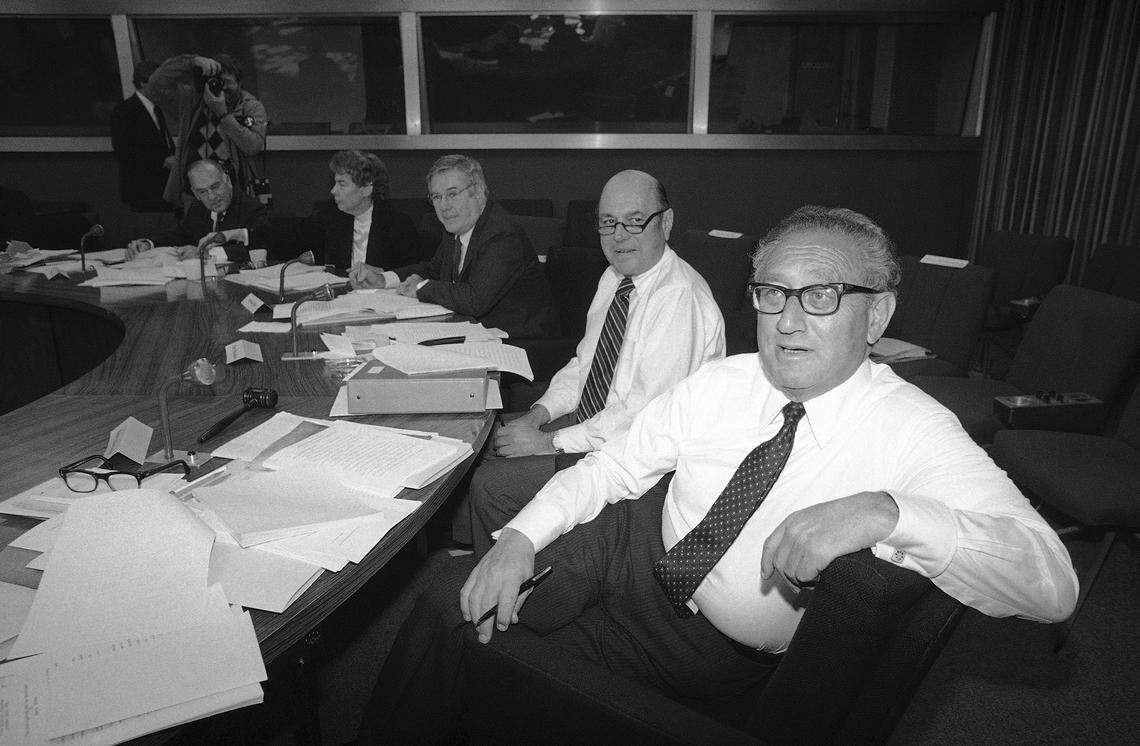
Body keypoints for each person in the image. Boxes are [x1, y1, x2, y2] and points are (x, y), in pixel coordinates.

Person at [358, 205, 1078, 741]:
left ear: (877, 314)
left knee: (481, 656)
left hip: (699, 652)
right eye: (771, 292)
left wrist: (889, 513)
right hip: (629, 551)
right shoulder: (724, 383)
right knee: (448, 601)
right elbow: (612, 469)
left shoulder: (914, 430)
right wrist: (518, 538)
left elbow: (1053, 583)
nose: (787, 321)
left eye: (821, 295)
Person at [454, 169, 726, 556]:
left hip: (641, 455)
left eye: (634, 221)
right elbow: (585, 363)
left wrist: (549, 442)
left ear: (665, 222)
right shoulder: (617, 278)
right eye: (607, 222)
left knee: (492, 485)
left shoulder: (679, 298)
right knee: (480, 442)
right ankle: (486, 552)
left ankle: (499, 579)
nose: (618, 236)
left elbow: (642, 417)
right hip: (599, 421)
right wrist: (537, 416)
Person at [350, 154, 555, 339]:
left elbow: (475, 299)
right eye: (437, 197)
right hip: (476, 333)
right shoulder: (457, 228)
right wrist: (384, 279)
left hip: (520, 342)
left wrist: (421, 287)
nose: (444, 206)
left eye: (453, 194)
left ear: (478, 193)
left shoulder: (502, 235)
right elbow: (433, 270)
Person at [141, 53, 266, 208]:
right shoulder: (191, 102)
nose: (223, 88)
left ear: (239, 83)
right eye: (217, 82)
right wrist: (190, 61)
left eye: (228, 82)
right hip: (196, 193)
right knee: (196, 231)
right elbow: (154, 87)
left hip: (235, 192)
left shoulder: (250, 106)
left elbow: (252, 146)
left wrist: (222, 113)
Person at [280, 150, 419, 271]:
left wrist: (382, 274)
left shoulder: (398, 224)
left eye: (342, 184)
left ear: (366, 188)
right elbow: (292, 237)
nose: (333, 190)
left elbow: (411, 271)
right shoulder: (332, 217)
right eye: (335, 183)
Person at [126, 159, 266, 264]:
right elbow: (178, 234)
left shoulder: (251, 208)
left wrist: (205, 254)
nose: (211, 196)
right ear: (195, 194)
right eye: (202, 191)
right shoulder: (198, 208)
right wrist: (148, 243)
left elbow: (258, 247)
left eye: (215, 187)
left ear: (227, 181)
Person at [110, 60, 175, 211]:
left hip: (162, 187)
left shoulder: (156, 109)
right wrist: (163, 161)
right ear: (143, 83)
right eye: (160, 83)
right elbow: (124, 151)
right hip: (143, 188)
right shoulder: (125, 111)